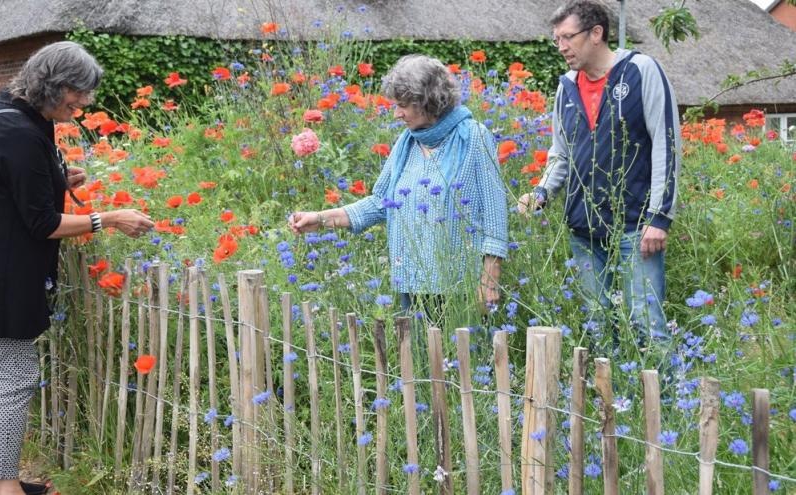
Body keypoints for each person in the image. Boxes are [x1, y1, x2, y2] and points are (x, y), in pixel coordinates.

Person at [0, 41, 155, 495]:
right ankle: (4, 487)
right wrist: (110, 218)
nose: (82, 107)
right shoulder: (16, 130)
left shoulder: (10, 113)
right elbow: (42, 222)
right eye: (77, 98)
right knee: (15, 378)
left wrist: (56, 177)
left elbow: (14, 186)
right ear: (54, 87)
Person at [289, 54, 508, 320]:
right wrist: (322, 219)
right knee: (415, 359)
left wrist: (489, 279)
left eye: (403, 105)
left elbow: (496, 214)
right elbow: (380, 202)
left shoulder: (473, 136)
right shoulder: (408, 143)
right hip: (412, 284)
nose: (397, 113)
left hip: (460, 288)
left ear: (428, 101)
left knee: (460, 359)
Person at [518, 0, 682, 353]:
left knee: (646, 323)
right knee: (598, 325)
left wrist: (660, 216)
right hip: (583, 227)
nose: (561, 46)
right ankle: (609, 405)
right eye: (556, 39)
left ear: (596, 33)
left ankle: (663, 407)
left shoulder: (640, 71)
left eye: (567, 37)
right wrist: (541, 192)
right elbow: (561, 153)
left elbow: (666, 144)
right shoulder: (567, 88)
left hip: (636, 225)